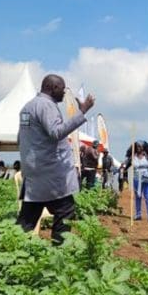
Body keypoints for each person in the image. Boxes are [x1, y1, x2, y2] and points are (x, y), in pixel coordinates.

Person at [16, 74, 95, 244]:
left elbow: (20, 138)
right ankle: (59, 252)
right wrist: (82, 112)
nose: (64, 93)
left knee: (27, 219)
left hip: (35, 174)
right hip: (51, 175)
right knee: (65, 211)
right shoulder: (46, 106)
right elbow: (56, 132)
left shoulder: (27, 107)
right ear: (53, 88)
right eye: (62, 89)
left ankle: (10, 247)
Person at [128, 142, 148, 222]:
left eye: (140, 146)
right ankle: (138, 214)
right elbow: (127, 165)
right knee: (138, 197)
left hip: (146, 179)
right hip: (136, 179)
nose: (139, 148)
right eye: (137, 146)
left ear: (143, 148)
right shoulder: (133, 157)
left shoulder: (147, 156)